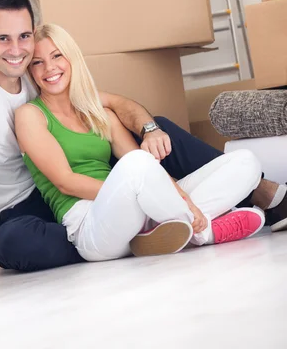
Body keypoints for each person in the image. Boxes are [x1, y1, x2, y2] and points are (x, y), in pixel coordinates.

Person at [0, 0, 287, 284]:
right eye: (4, 39)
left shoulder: (30, 71)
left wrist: (152, 139)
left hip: (98, 191)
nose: (20, 51)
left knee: (175, 138)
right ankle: (184, 229)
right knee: (17, 244)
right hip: (23, 207)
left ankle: (211, 210)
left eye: (25, 38)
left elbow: (114, 103)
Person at [16, 24, 266, 261]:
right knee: (137, 163)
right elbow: (65, 182)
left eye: (57, 56)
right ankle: (205, 233)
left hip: (139, 215)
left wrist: (181, 199)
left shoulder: (98, 113)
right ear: (30, 71)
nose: (49, 68)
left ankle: (170, 227)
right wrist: (142, 195)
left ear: (72, 59)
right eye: (37, 62)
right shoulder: (30, 115)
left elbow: (147, 170)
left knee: (246, 162)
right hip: (91, 227)